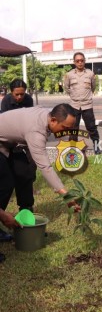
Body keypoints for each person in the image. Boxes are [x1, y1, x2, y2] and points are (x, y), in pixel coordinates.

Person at [0, 103, 80, 262]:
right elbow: (45, 166)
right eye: (64, 127)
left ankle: (26, 218)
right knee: (6, 182)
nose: (66, 132)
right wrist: (66, 195)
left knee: (25, 173)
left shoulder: (47, 115)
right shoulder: (36, 130)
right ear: (54, 120)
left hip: (11, 144)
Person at [0, 79, 36, 242]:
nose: (20, 97)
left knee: (26, 175)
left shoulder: (28, 100)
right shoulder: (6, 102)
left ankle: (26, 209)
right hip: (7, 145)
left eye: (22, 94)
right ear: (11, 92)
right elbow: (9, 125)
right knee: (6, 183)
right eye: (17, 94)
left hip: (22, 143)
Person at [63, 52, 101, 154]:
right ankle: (72, 147)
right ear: (74, 62)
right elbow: (66, 88)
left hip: (87, 105)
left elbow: (93, 87)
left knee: (91, 127)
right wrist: (74, 96)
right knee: (73, 128)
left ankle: (97, 147)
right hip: (74, 106)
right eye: (77, 61)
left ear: (84, 61)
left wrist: (86, 96)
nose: (80, 63)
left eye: (82, 60)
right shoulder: (69, 75)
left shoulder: (90, 74)